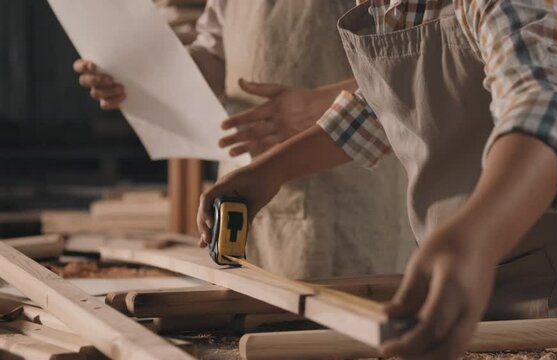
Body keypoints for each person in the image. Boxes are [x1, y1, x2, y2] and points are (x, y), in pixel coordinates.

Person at [197, 0, 557, 358]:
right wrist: (270, 170)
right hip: (478, 253)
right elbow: (387, 107)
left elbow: (545, 108)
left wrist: (472, 239)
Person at [73, 0, 413, 279]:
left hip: (353, 198)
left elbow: (411, 67)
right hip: (249, 191)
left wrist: (319, 105)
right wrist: (139, 78)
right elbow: (217, 48)